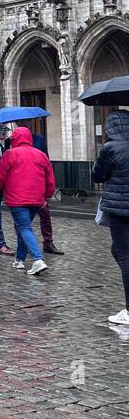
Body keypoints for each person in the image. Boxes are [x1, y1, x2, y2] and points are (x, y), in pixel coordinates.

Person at [0, 125, 56, 277]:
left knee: (24, 228)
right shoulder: (40, 154)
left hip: (17, 199)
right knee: (23, 228)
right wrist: (47, 196)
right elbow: (50, 179)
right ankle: (19, 260)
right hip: (36, 199)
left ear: (15, 140)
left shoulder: (10, 154)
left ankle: (38, 259)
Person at [92, 111, 129, 324]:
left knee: (123, 255)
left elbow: (98, 176)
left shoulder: (110, 148)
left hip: (120, 209)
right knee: (118, 251)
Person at [29, 130, 64, 256]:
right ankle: (25, 243)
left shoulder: (39, 139)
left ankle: (48, 242)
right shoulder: (10, 142)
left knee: (45, 213)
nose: (24, 123)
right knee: (23, 217)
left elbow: (46, 161)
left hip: (38, 181)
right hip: (23, 183)